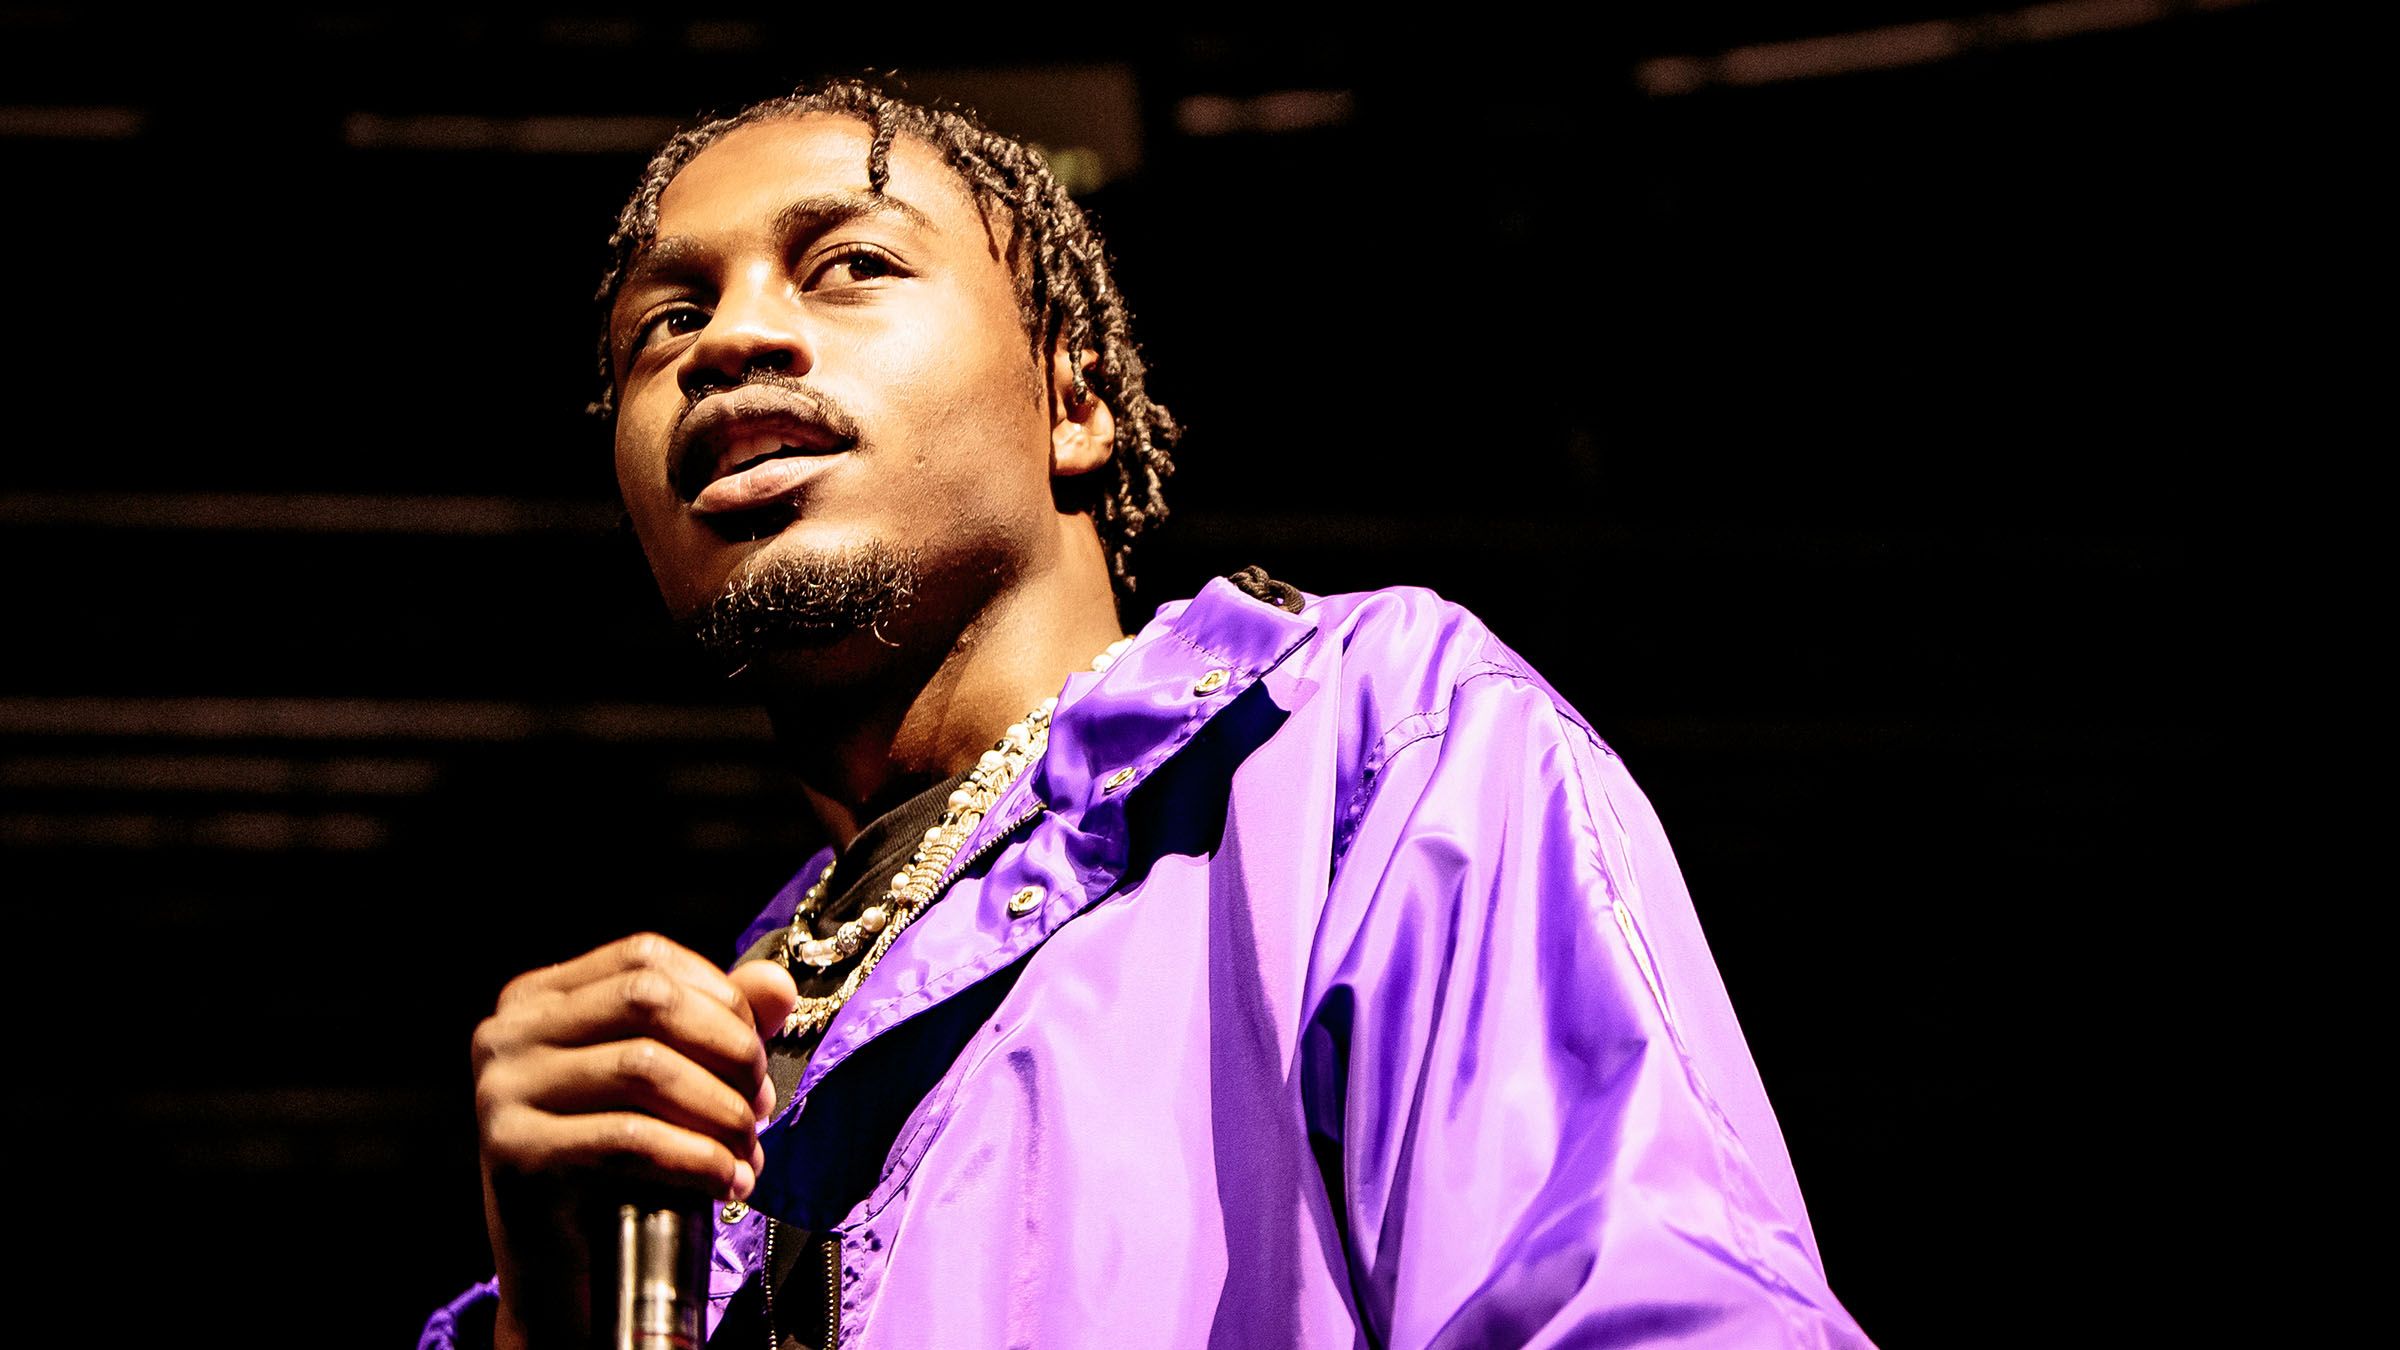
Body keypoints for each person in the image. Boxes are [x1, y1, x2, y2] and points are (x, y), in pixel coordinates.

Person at [422, 79, 1872, 1349]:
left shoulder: (1362, 748)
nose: (728, 337)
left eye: (850, 264)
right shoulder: (704, 1075)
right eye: (664, 321)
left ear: (1072, 394)